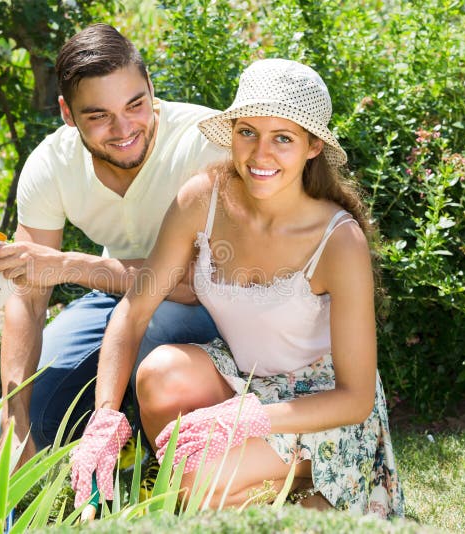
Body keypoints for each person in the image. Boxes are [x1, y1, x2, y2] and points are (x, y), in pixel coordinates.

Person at [70, 59, 405, 517]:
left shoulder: (338, 239)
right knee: (160, 372)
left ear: (312, 147)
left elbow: (355, 398)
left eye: (282, 138)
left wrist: (245, 418)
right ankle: (237, 494)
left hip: (321, 407)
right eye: (247, 132)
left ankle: (315, 502)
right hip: (246, 380)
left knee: (192, 477)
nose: (259, 154)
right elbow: (134, 309)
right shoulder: (202, 198)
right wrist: (104, 418)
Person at [0, 23, 227, 472]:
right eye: (98, 115)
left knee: (158, 322)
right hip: (115, 293)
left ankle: (146, 452)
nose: (124, 129)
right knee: (33, 407)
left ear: (151, 87)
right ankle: (92, 445)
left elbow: (196, 284)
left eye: (136, 104)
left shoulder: (204, 141)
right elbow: (27, 291)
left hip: (211, 304)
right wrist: (13, 418)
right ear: (67, 112)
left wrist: (69, 265)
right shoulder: (50, 164)